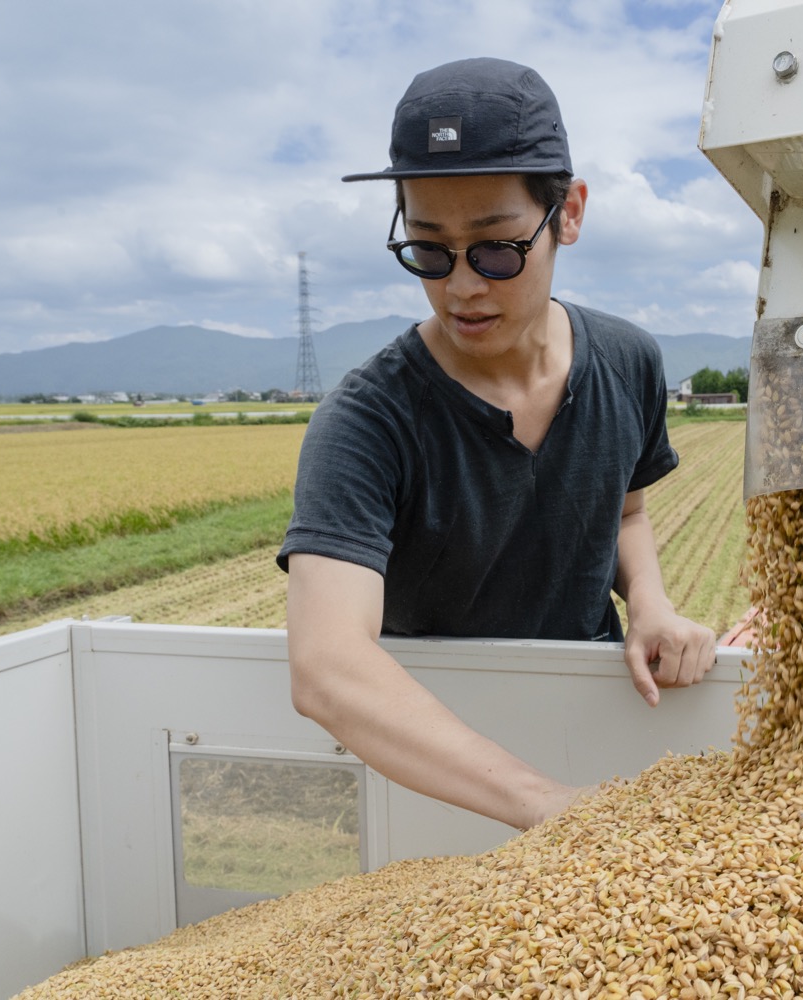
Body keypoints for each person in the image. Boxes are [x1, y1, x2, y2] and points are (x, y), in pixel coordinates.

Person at [277, 57, 716, 832]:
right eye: (427, 250)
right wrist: (549, 808)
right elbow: (328, 668)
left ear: (569, 214)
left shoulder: (628, 360)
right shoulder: (367, 421)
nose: (462, 287)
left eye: (496, 249)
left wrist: (650, 605)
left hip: (592, 720)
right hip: (436, 762)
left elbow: (625, 515)